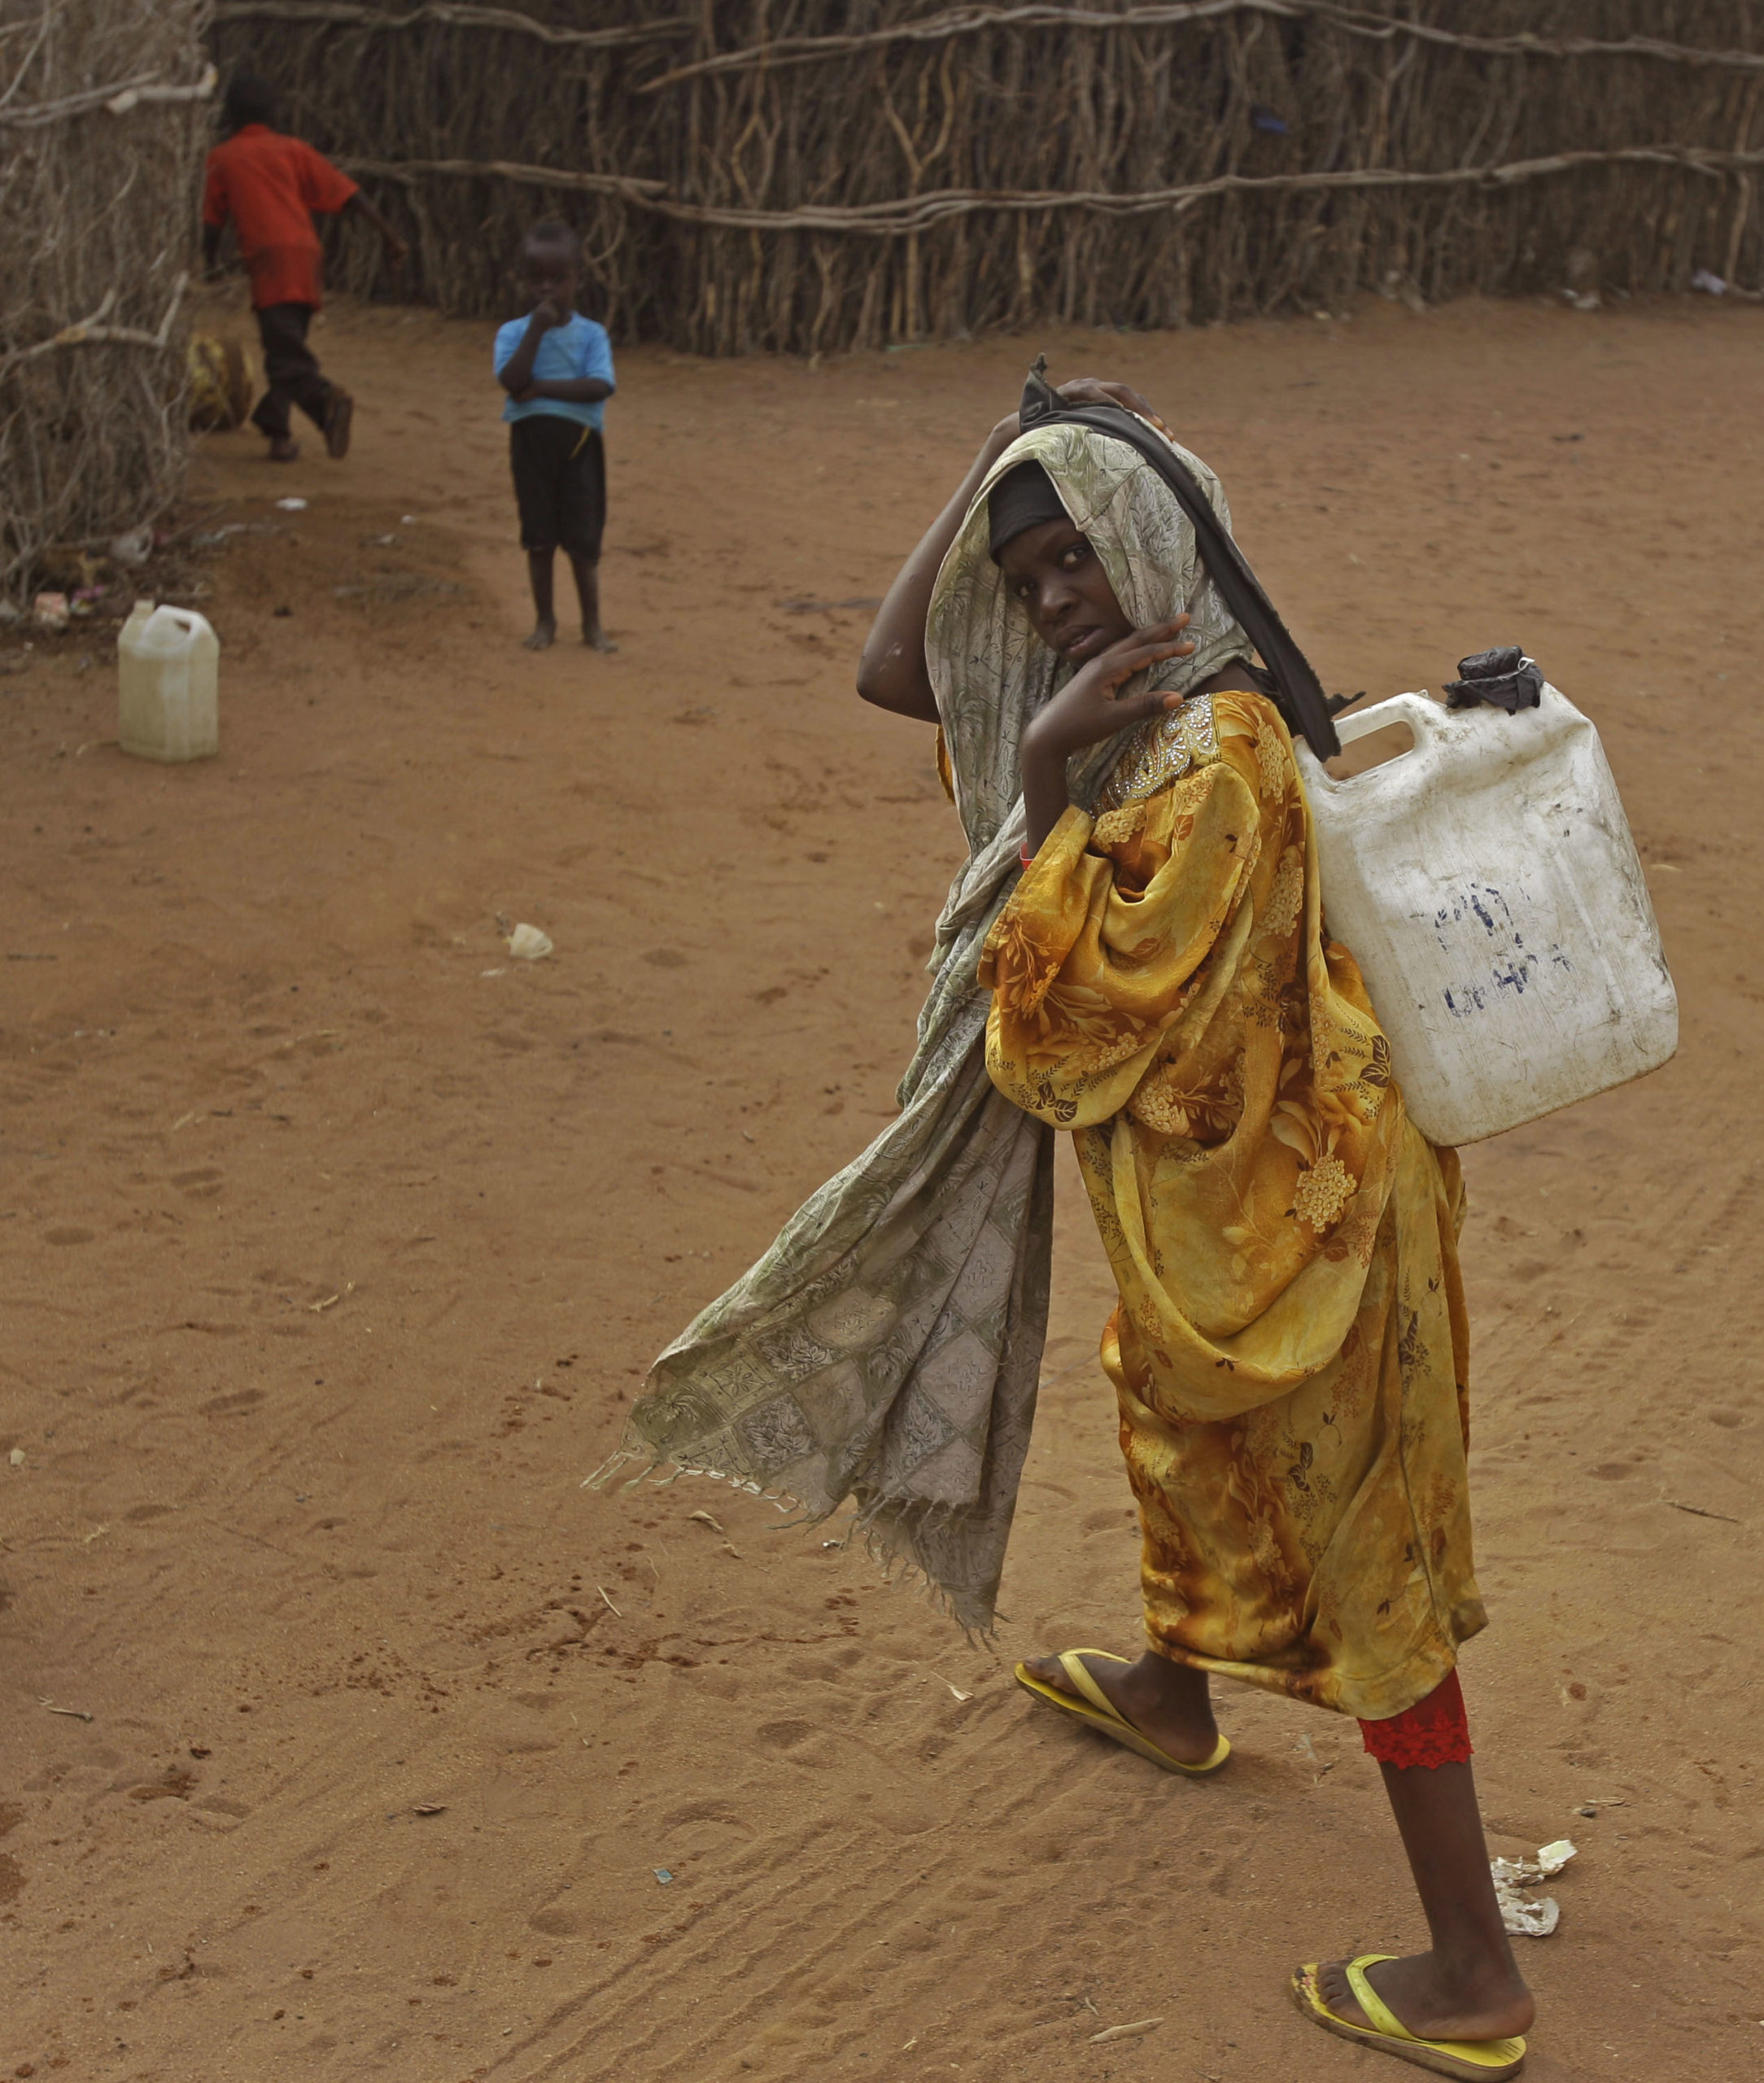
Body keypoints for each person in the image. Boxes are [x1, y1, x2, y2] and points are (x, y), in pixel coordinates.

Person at [605, 376, 1534, 2078]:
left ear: (1149, 540)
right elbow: (895, 669)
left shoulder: (1213, 753)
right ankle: (1179, 1691)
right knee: (1178, 1436)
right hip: (1212, 1221)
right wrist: (988, 469)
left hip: (1309, 1235)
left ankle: (1474, 1962)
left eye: (1067, 558)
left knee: (1365, 1553)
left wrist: (1037, 774)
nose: (1043, 601)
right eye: (1023, 576)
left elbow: (1057, 1022)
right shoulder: (1130, 710)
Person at [201, 72, 407, 463]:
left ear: (228, 115)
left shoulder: (222, 157)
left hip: (269, 259)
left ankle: (325, 401)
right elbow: (350, 194)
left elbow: (212, 221)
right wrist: (390, 236)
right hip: (307, 255)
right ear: (275, 114)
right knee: (285, 348)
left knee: (287, 357)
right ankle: (277, 434)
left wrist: (208, 264)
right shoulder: (292, 149)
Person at [493, 222, 617, 653]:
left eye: (557, 279)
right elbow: (511, 380)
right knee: (539, 537)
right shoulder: (513, 333)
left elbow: (599, 386)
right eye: (536, 279)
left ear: (576, 280)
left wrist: (542, 389)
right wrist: (535, 330)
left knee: (584, 541)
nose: (547, 289)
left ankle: (592, 626)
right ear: (523, 281)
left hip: (580, 448)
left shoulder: (591, 335)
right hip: (530, 448)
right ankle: (544, 621)